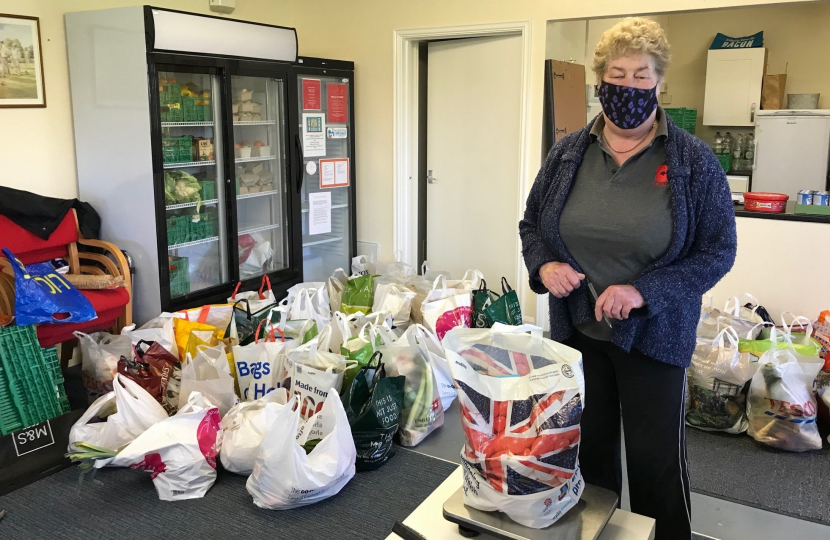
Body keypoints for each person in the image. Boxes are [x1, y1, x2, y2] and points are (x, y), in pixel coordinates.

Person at [519, 17, 736, 540]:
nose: (630, 87)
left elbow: (717, 251)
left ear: (660, 82)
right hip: (578, 335)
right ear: (600, 82)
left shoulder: (691, 161)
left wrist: (644, 291)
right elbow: (532, 225)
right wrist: (544, 266)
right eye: (619, 74)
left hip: (654, 340)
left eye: (643, 75)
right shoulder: (568, 153)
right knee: (589, 456)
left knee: (655, 463)